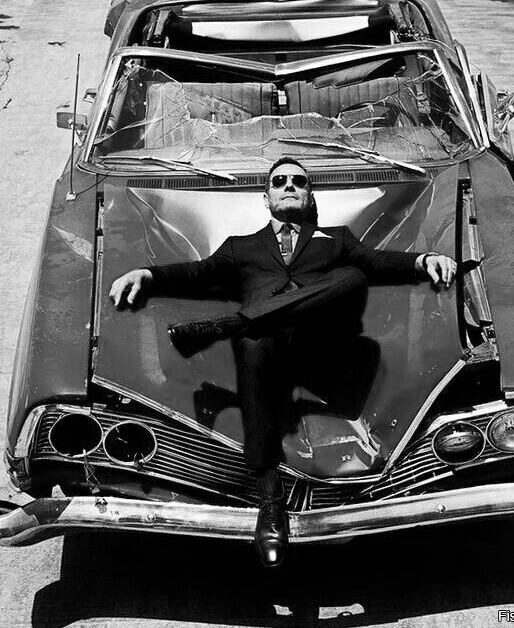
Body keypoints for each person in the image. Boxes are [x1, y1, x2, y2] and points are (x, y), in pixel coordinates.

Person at [109, 157, 457, 567]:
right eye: (280, 181)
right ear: (267, 197)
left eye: (298, 181)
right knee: (253, 343)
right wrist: (147, 275)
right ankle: (270, 501)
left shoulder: (337, 239)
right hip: (268, 353)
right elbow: (197, 273)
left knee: (353, 278)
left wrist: (422, 260)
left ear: (309, 196)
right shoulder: (241, 247)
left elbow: (379, 262)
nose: (289, 185)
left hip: (324, 349)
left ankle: (227, 325)